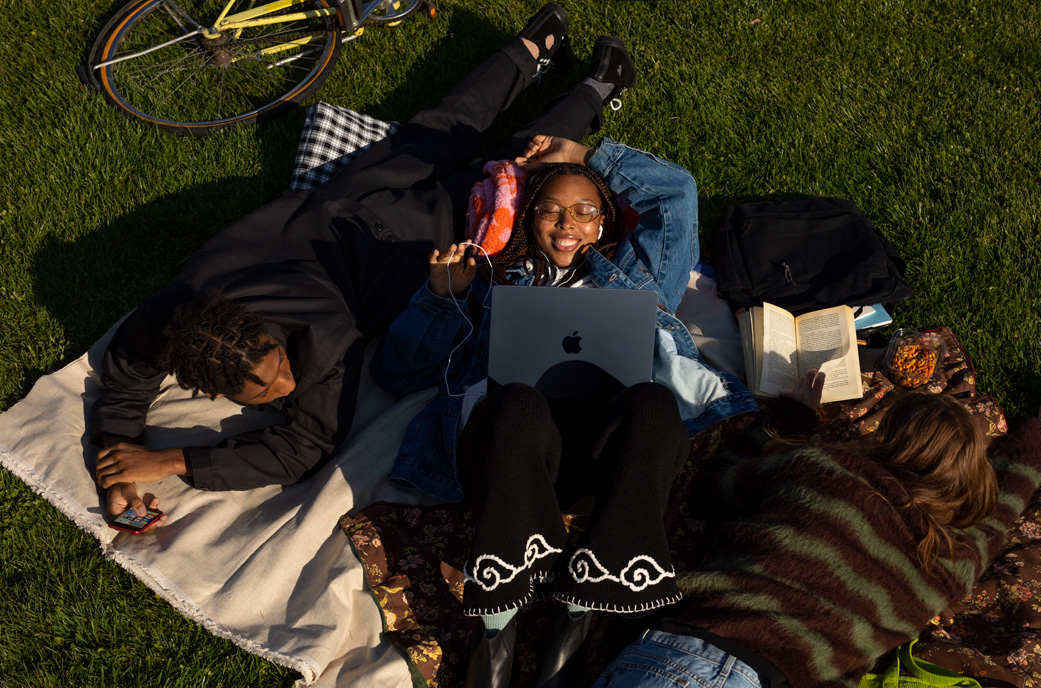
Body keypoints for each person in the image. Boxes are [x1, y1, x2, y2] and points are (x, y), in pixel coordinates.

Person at [89, 4, 638, 529]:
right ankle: (536, 44)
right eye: (266, 392)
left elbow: (301, 452)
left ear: (265, 334)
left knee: (514, 172)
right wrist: (119, 459)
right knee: (442, 128)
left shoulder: (323, 345)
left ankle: (599, 86)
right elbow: (129, 367)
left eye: (276, 370)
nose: (286, 385)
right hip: (342, 201)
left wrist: (175, 461)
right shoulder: (184, 303)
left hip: (407, 238)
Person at [370, 129, 757, 688]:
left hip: (602, 458)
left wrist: (583, 154)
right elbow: (399, 372)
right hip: (515, 451)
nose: (566, 224)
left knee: (653, 401)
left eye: (584, 212)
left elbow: (675, 195)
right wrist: (439, 296)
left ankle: (577, 615)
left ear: (604, 224)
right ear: (529, 221)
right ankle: (496, 632)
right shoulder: (495, 285)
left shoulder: (640, 280)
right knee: (520, 400)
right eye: (550, 211)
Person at [582, 369, 1041, 688]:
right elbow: (1002, 514)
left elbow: (717, 484)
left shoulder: (821, 469)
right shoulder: (950, 562)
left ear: (888, 440)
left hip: (684, 656)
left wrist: (791, 417)